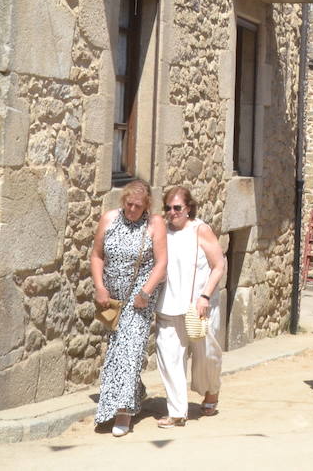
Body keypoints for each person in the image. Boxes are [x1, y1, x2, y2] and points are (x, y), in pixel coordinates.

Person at [91, 179, 167, 436]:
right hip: (114, 296)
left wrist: (146, 292)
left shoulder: (154, 224)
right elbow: (97, 255)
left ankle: (122, 411)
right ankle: (135, 391)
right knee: (117, 348)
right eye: (129, 204)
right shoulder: (109, 219)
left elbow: (161, 263)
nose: (132, 210)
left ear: (147, 206)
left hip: (140, 296)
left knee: (130, 349)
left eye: (138, 206)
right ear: (123, 201)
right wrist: (100, 287)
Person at [155, 185, 226, 428]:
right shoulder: (161, 231)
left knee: (206, 355)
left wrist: (205, 296)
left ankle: (211, 390)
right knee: (169, 356)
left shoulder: (200, 229)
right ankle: (177, 411)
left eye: (177, 208)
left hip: (198, 305)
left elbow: (219, 265)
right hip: (168, 304)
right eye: (168, 208)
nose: (172, 212)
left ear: (188, 208)